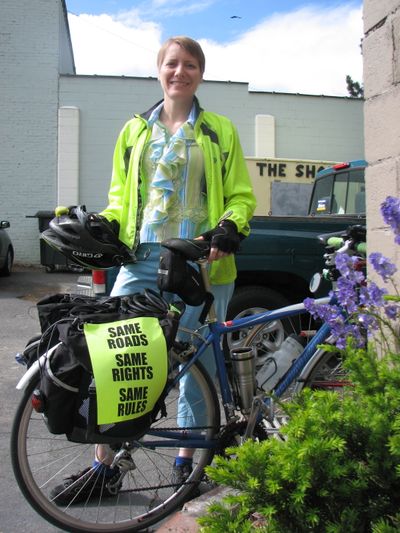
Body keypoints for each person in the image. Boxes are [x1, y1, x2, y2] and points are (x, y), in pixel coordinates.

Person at [51, 35, 256, 504]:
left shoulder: (220, 130)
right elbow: (123, 198)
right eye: (171, 63)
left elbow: (242, 194)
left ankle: (188, 467)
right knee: (115, 359)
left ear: (200, 73)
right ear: (158, 70)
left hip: (202, 261)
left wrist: (230, 226)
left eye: (189, 64)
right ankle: (103, 468)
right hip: (142, 260)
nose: (179, 71)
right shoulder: (134, 131)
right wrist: (103, 223)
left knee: (194, 366)